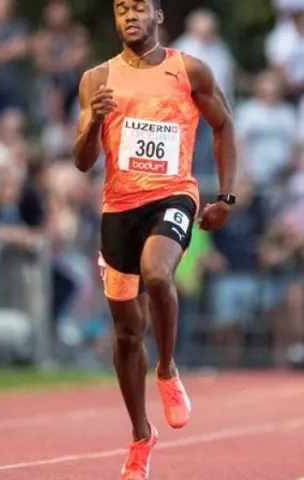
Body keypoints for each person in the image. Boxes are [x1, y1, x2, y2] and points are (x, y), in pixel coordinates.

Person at [72, 1, 236, 478]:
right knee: (125, 334)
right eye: (122, 8)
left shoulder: (188, 69)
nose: (130, 15)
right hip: (117, 208)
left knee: (158, 274)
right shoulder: (96, 79)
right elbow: (82, 160)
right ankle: (141, 436)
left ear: (158, 16)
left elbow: (223, 124)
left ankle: (166, 369)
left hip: (173, 195)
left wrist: (225, 195)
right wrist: (93, 122)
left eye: (139, 7)